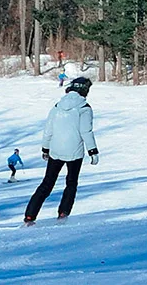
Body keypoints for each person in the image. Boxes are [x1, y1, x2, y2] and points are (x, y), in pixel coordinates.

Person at [24, 77, 99, 225]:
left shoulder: (57, 106)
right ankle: (63, 214)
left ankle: (30, 216)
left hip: (56, 150)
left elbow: (48, 130)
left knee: (46, 183)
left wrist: (45, 148)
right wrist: (93, 151)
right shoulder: (85, 108)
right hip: (75, 152)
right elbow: (86, 132)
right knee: (71, 183)